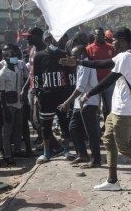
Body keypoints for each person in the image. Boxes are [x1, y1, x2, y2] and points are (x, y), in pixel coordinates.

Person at [63, 27, 131, 191]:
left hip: (124, 109)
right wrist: (79, 62)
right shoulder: (122, 56)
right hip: (117, 108)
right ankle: (113, 181)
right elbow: (101, 63)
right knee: (108, 140)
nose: (111, 43)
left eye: (114, 40)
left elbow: (108, 80)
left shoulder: (126, 57)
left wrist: (87, 95)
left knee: (124, 147)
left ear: (123, 41)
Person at [34, 31, 75, 163]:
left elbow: (70, 76)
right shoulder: (39, 56)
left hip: (62, 95)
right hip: (46, 96)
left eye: (55, 38)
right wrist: (38, 94)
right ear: (46, 40)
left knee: (64, 122)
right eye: (50, 39)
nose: (53, 41)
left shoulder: (64, 54)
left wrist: (70, 97)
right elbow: (36, 77)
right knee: (46, 125)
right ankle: (46, 153)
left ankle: (67, 150)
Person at [58, 45, 101, 168]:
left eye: (74, 55)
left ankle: (95, 160)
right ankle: (82, 154)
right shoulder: (81, 65)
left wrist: (67, 102)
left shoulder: (85, 65)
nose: (72, 57)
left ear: (81, 55)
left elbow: (80, 88)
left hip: (88, 102)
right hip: (79, 103)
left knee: (90, 132)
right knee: (73, 127)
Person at [0, 44, 28, 165]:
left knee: (18, 128)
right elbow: (1, 94)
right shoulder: (2, 74)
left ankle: (18, 151)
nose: (15, 58)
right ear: (6, 58)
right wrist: (5, 110)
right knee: (7, 131)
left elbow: (24, 81)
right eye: (12, 56)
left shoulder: (17, 69)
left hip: (19, 103)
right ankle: (8, 155)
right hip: (8, 105)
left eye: (15, 55)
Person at [86, 27, 115, 126]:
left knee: (110, 107)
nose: (102, 36)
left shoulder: (111, 47)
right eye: (99, 34)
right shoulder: (89, 49)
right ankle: (97, 130)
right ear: (94, 36)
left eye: (103, 34)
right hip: (95, 84)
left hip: (109, 82)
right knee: (95, 107)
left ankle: (108, 127)